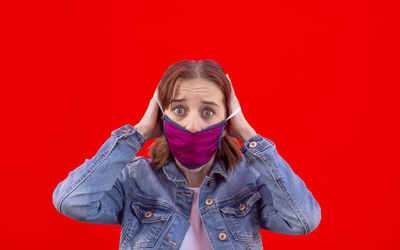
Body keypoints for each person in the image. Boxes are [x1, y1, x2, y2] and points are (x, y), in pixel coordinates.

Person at [52, 59, 321, 250]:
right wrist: (140, 131)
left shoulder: (249, 181)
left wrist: (248, 134)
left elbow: (302, 220)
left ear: (227, 119)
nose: (192, 126)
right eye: (179, 110)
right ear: (161, 115)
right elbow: (71, 201)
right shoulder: (134, 179)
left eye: (208, 112)